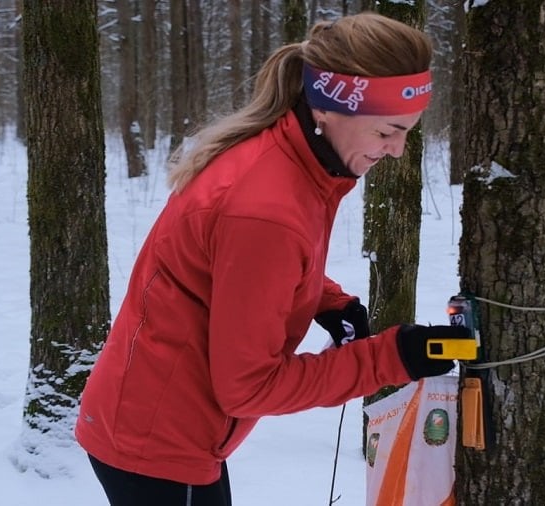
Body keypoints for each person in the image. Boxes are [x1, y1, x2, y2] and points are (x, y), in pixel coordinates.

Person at [75, 12, 470, 506]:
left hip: (169, 424)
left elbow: (227, 264)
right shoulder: (266, 208)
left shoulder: (291, 161)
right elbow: (249, 387)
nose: (396, 150)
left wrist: (328, 300)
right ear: (329, 109)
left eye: (408, 131)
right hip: (154, 440)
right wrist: (388, 358)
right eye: (387, 130)